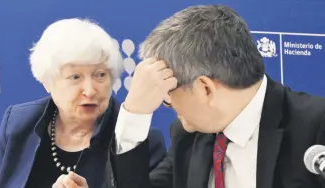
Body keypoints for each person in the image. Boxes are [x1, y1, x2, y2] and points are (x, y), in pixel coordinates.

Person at [106, 5, 325, 188]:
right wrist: (134, 112)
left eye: (167, 94)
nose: (166, 105)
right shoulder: (188, 135)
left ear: (205, 89)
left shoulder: (315, 127)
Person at [0, 18, 167, 188]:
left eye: (100, 75)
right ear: (47, 82)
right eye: (75, 77)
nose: (89, 91)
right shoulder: (19, 123)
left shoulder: (137, 142)